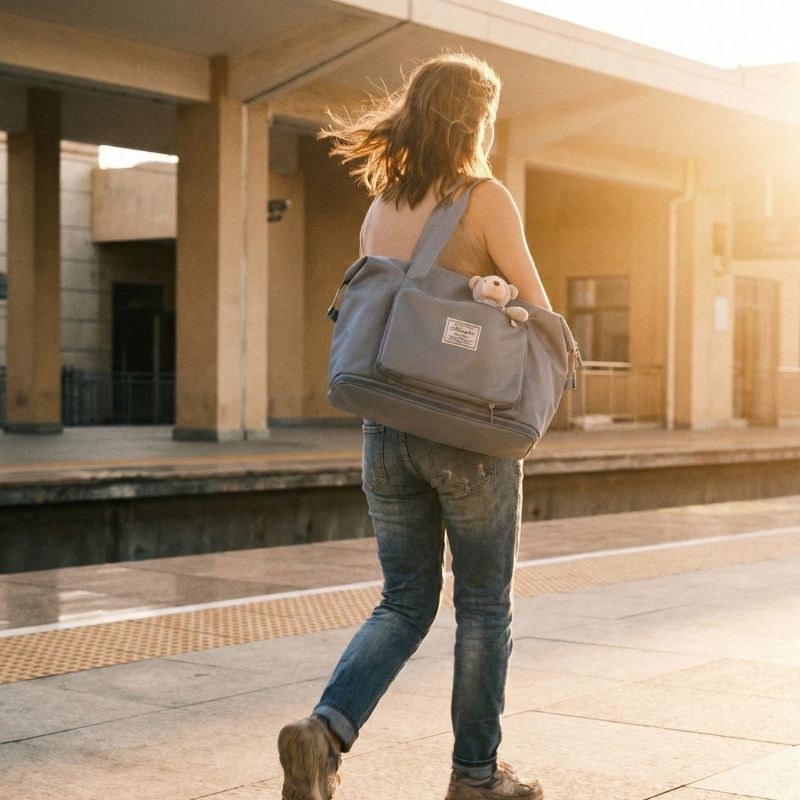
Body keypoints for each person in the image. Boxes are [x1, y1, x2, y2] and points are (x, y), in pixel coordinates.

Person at [277, 52, 551, 800]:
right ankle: (474, 776)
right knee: (484, 607)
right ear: (475, 118)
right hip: (466, 433)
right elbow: (533, 304)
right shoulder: (484, 197)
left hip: (385, 431)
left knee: (403, 601)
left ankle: (324, 732)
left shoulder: (382, 205)